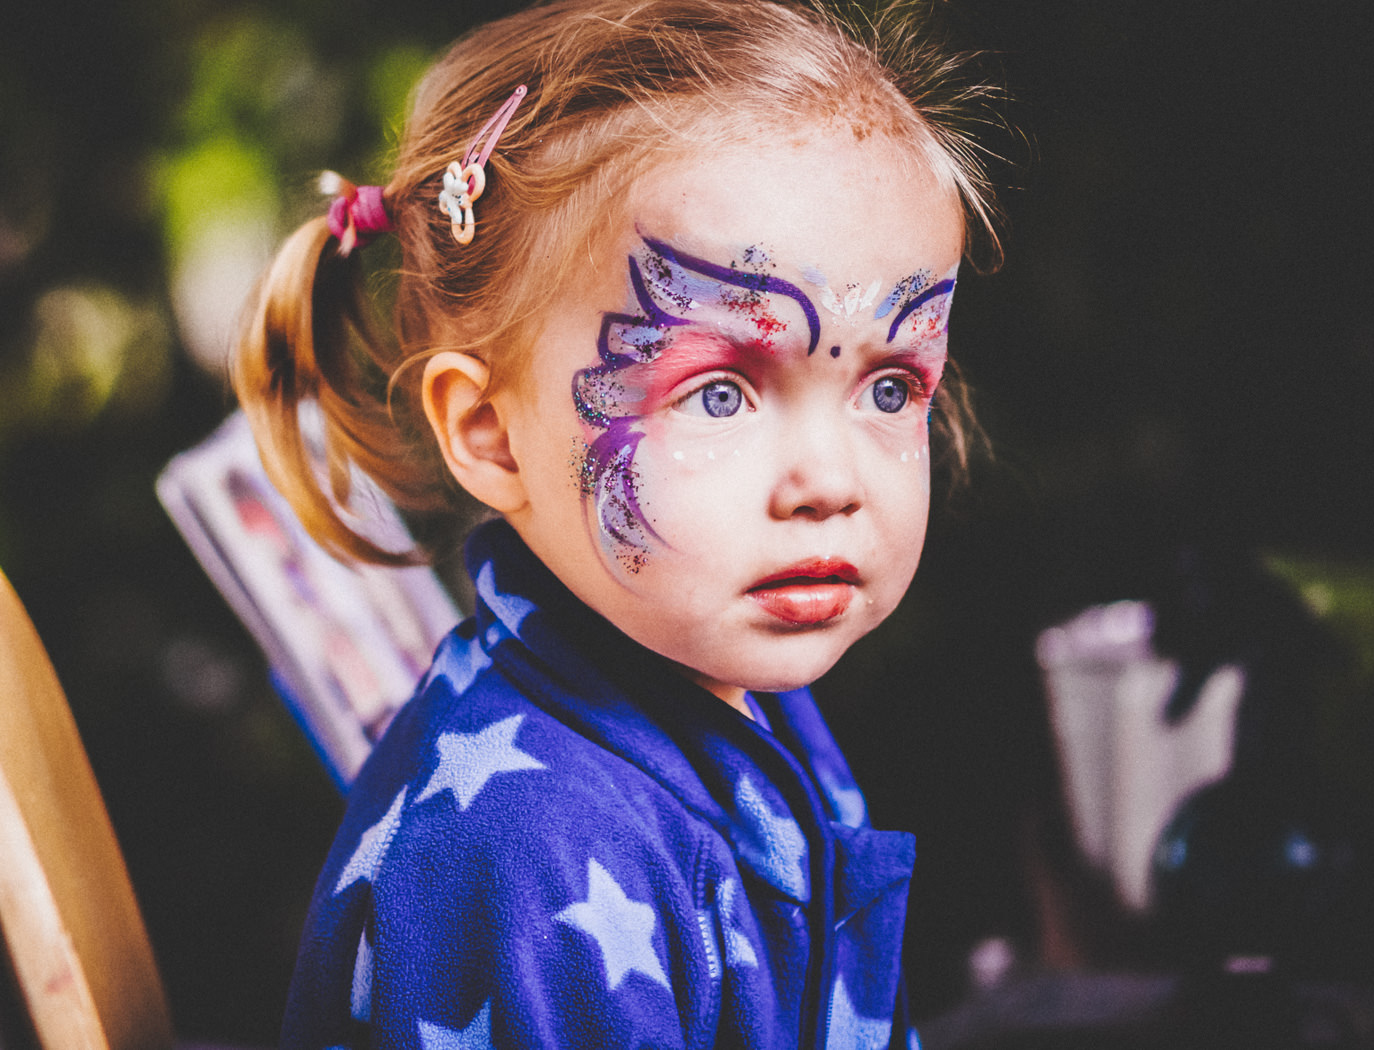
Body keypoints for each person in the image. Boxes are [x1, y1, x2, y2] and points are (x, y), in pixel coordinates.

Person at [233, 0, 1001, 1045]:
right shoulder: (523, 855)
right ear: (492, 434)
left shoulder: (725, 700)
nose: (830, 480)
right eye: (719, 393)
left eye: (888, 385)